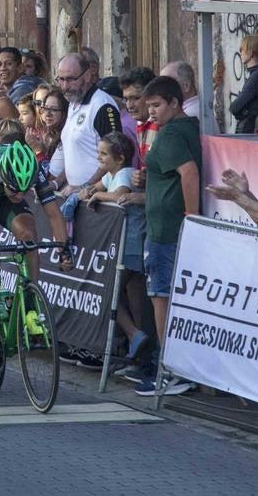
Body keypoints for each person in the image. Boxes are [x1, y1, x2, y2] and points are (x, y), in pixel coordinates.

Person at [0, 139, 71, 371]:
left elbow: (54, 214)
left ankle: (29, 306)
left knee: (29, 237)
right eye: (15, 190)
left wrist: (63, 249)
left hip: (0, 198)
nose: (20, 195)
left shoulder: (33, 170)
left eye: (25, 190)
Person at [136, 75, 200, 397]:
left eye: (157, 105)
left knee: (160, 296)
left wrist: (191, 216)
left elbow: (188, 171)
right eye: (149, 106)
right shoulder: (183, 128)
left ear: (175, 102)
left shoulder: (173, 132)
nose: (151, 113)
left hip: (166, 231)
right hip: (166, 225)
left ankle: (169, 369)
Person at [82, 132, 151, 366]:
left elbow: (119, 195)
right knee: (131, 295)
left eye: (103, 154)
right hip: (125, 244)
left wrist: (98, 194)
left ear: (120, 158)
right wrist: (86, 191)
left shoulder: (125, 173)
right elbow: (95, 187)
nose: (98, 158)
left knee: (108, 294)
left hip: (130, 244)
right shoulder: (113, 173)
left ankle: (134, 335)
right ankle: (139, 347)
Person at [57, 52, 123, 192]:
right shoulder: (73, 102)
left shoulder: (102, 105)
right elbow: (73, 155)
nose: (64, 86)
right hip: (76, 194)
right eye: (61, 79)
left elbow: (115, 155)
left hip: (98, 197)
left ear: (87, 76)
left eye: (70, 79)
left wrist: (86, 187)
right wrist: (57, 183)